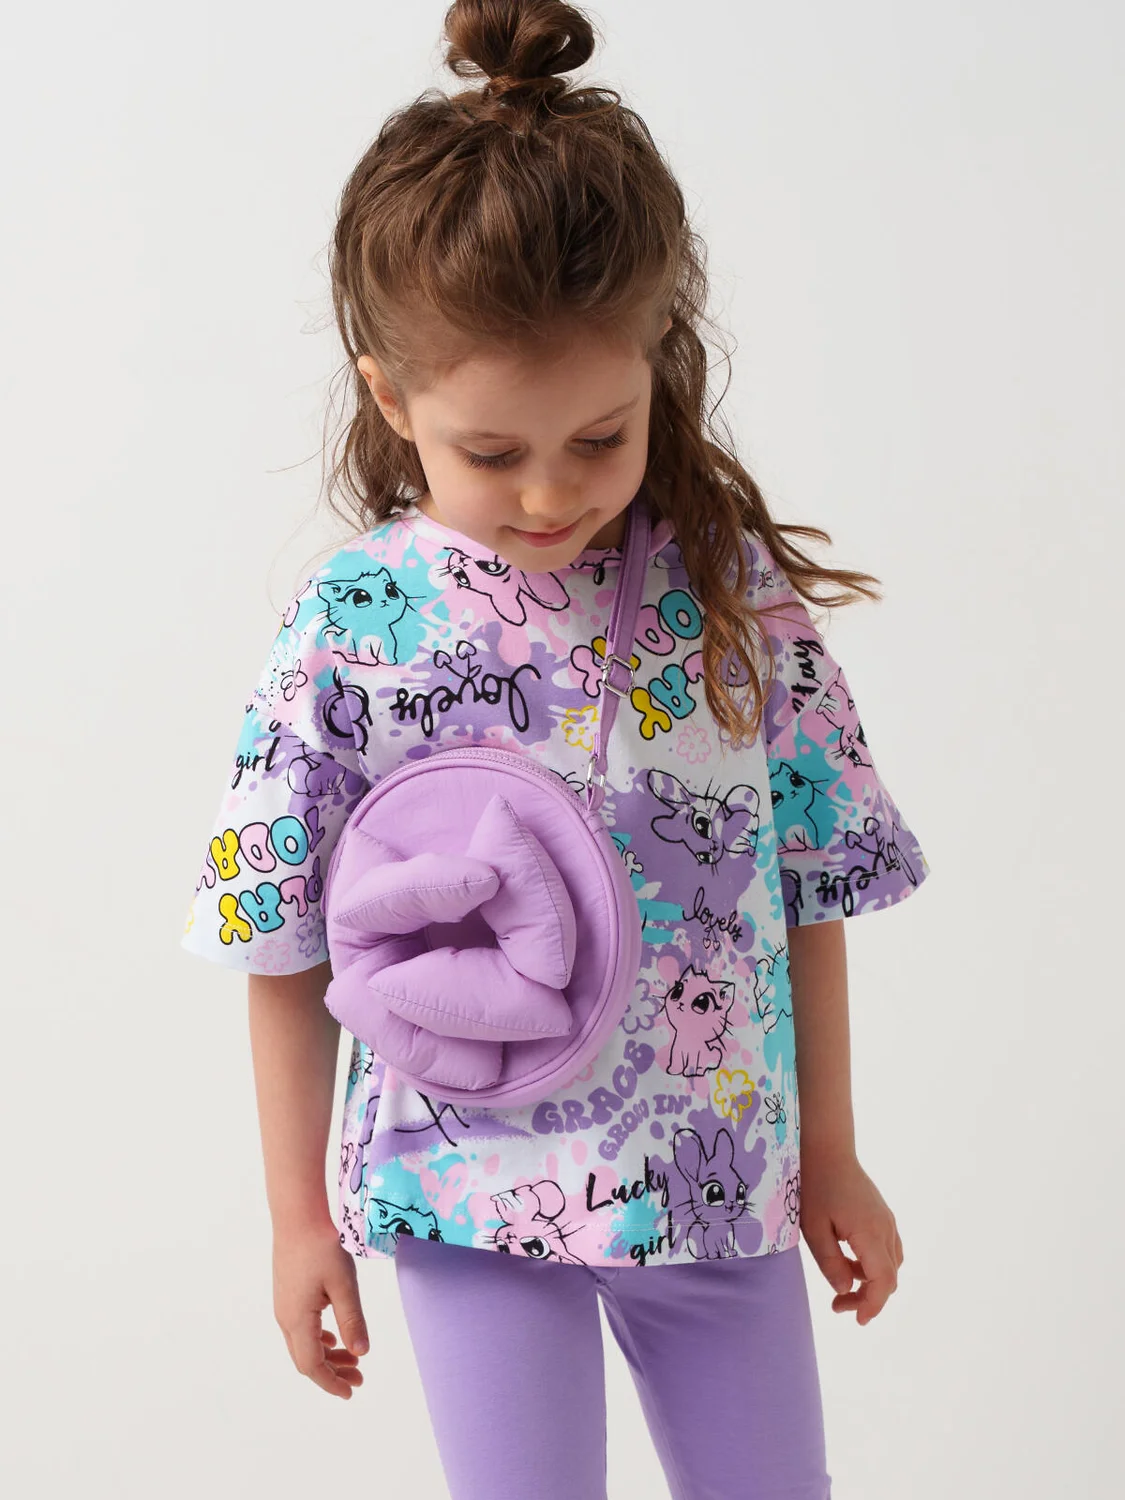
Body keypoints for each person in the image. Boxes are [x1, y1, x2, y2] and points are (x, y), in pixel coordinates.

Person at [180, 4, 931, 1496]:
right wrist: (296, 1220)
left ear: (658, 365)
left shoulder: (731, 603)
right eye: (491, 452)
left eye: (600, 438)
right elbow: (279, 939)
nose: (549, 495)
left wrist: (833, 1153)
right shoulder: (352, 628)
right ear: (391, 399)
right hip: (462, 1196)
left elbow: (807, 890)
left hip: (715, 1179)